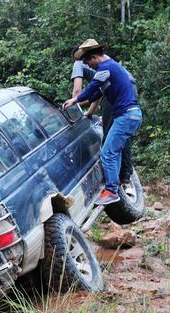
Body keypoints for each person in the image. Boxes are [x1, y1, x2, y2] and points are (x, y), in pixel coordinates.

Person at [63, 39, 142, 205]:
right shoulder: (112, 67)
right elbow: (97, 93)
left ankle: (112, 190)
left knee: (107, 153)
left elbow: (90, 89)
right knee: (115, 150)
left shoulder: (104, 68)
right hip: (131, 115)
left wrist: (74, 100)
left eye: (87, 62)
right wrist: (88, 111)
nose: (88, 66)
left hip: (126, 116)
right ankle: (118, 183)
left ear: (94, 57)